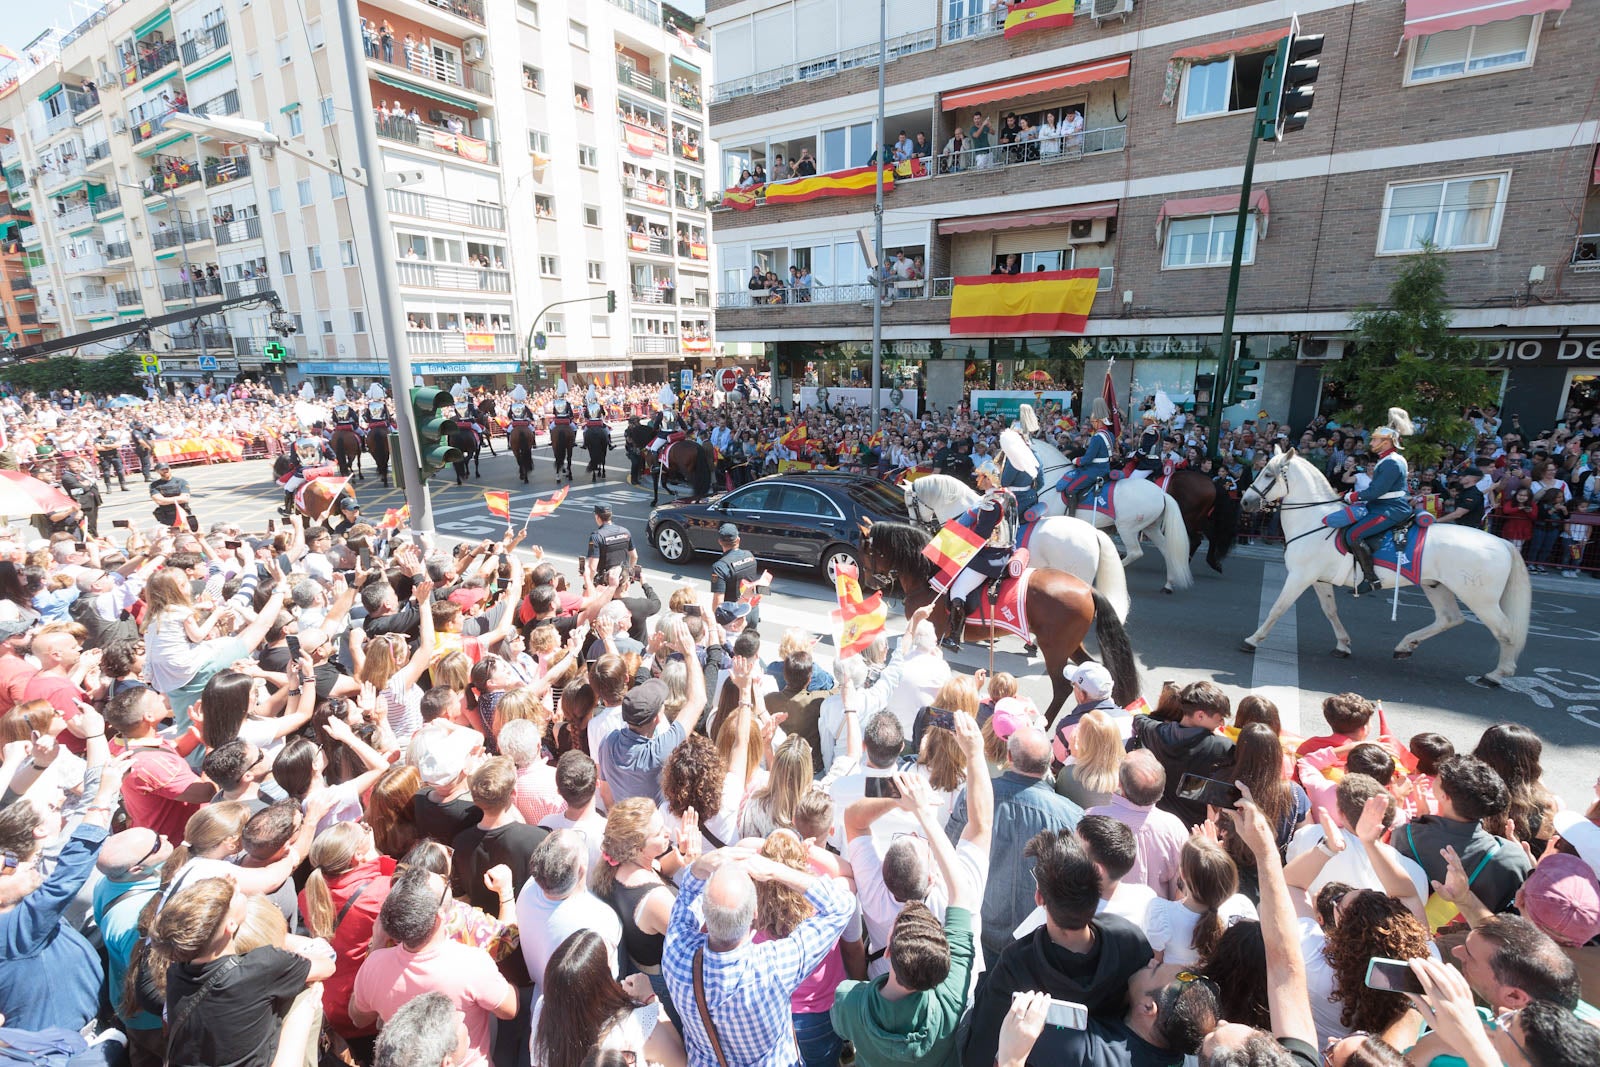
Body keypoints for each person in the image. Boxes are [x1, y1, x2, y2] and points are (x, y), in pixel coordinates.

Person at [662, 845, 855, 1067]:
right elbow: (841, 906)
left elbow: (685, 896)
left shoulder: (675, 955)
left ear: (704, 912)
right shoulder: (774, 965)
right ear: (755, 912)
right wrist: (778, 871)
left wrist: (700, 866)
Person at [157, 877, 337, 1067]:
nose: (238, 888)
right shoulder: (263, 966)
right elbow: (327, 963)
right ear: (231, 925)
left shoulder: (177, 972)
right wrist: (304, 1008)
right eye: (235, 895)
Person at [350, 866, 519, 1067]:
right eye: (445, 883)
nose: (444, 879)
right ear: (440, 916)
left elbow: (358, 1018)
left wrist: (377, 945)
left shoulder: (374, 966)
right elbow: (510, 1010)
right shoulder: (472, 963)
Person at [1127, 681, 1236, 828]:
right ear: (1200, 716)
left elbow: (1139, 719)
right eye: (1219, 718)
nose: (1222, 723)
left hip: (1157, 818)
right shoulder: (1222, 747)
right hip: (1195, 825)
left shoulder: (1158, 732)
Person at [1335, 407, 1417, 595]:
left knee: (1354, 535)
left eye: (1375, 439)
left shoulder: (1391, 462)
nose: (1371, 442)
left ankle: (1371, 579)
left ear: (1386, 442)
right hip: (1383, 505)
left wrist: (1351, 496)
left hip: (1390, 508)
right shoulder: (1388, 459)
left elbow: (1376, 491)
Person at [939, 458, 1016, 652]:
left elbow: (980, 536)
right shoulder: (1008, 495)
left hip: (990, 556)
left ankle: (954, 637)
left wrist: (955, 539)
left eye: (980, 477)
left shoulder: (991, 502)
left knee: (957, 590)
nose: (977, 481)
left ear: (989, 479)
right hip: (1005, 549)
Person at [1056, 398, 1116, 517]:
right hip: (1105, 467)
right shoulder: (1110, 434)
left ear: (1099, 421)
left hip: (1095, 470)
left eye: (1093, 421)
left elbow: (1087, 459)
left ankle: (1071, 517)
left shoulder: (1097, 437)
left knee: (1071, 489)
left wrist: (1076, 460)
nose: (1092, 424)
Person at [709, 523, 766, 632]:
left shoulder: (719, 567)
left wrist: (715, 624)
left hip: (733, 619)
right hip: (752, 612)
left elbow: (718, 602)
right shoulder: (750, 556)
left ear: (720, 542)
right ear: (738, 540)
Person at [588, 505, 636, 584]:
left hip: (605, 581)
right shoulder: (625, 532)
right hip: (622, 579)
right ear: (610, 515)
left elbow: (593, 567)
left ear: (597, 517)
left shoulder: (596, 536)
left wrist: (587, 584)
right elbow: (634, 556)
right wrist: (628, 574)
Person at [149, 461, 197, 531]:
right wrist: (177, 499)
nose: (165, 471)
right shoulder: (154, 485)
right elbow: (159, 501)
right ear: (157, 471)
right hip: (166, 517)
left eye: (166, 469)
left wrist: (166, 500)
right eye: (162, 470)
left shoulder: (181, 481)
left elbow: (185, 498)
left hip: (183, 514)